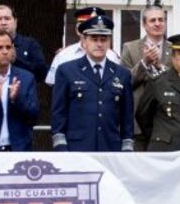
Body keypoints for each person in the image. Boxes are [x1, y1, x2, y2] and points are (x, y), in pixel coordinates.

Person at [50, 15, 134, 152]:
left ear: (109, 42)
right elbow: (58, 113)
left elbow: (127, 117)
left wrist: (127, 147)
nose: (99, 44)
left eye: (103, 39)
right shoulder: (66, 71)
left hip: (110, 148)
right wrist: (61, 147)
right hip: (76, 148)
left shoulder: (122, 74)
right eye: (94, 39)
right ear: (84, 41)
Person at [121, 5, 172, 144]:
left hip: (168, 123)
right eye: (153, 20)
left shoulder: (175, 49)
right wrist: (144, 63)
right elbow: (123, 83)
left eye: (161, 20)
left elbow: (179, 81)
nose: (157, 23)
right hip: (138, 124)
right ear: (144, 24)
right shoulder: (130, 48)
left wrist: (160, 67)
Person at [45, 6, 119, 86]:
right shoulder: (64, 55)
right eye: (86, 28)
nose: (92, 33)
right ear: (77, 29)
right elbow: (53, 83)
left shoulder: (111, 56)